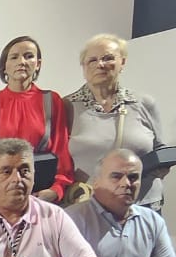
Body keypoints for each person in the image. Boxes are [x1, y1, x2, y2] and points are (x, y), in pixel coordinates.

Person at [0, 35, 73, 203]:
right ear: (4, 66)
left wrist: (56, 189)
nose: (21, 61)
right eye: (14, 57)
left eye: (28, 56)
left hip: (40, 194)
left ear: (38, 64)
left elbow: (62, 153)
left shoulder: (52, 101)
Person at [65, 34, 167, 208]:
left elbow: (160, 149)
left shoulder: (144, 103)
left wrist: (160, 167)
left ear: (122, 62)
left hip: (141, 205)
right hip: (88, 206)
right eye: (92, 60)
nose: (100, 64)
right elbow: (57, 158)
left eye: (108, 58)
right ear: (83, 66)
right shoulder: (66, 106)